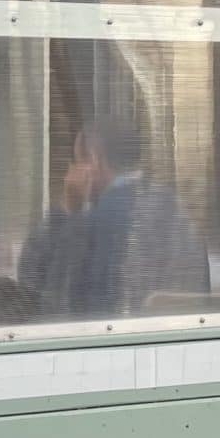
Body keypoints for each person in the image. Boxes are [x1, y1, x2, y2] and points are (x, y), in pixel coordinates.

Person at [15, 114, 207, 320]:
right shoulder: (172, 206)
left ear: (94, 160)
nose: (70, 173)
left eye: (77, 161)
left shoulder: (95, 224)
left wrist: (68, 209)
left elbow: (40, 287)